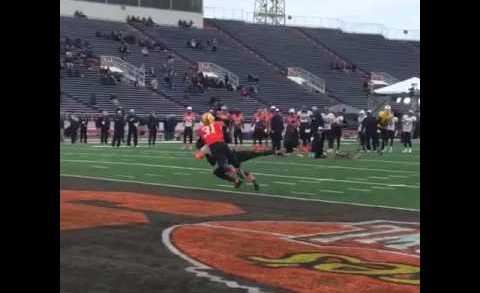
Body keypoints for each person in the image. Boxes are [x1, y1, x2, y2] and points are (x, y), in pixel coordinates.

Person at [197, 112, 242, 187]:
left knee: (223, 165)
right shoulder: (217, 123)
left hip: (214, 147)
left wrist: (201, 154)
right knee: (233, 161)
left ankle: (236, 172)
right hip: (223, 144)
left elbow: (202, 139)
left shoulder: (201, 129)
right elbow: (225, 122)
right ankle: (237, 170)